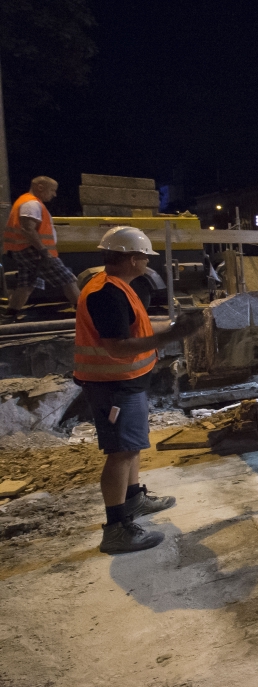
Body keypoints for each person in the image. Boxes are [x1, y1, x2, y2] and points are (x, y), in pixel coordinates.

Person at [75, 226, 205, 554]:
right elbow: (118, 347)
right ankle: (116, 528)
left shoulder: (121, 287)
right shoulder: (106, 293)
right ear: (132, 259)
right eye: (145, 258)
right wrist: (172, 337)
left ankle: (134, 501)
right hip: (114, 386)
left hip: (126, 383)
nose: (148, 263)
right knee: (120, 452)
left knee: (131, 447)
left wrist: (174, 328)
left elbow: (137, 329)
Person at [3, 176, 81, 319]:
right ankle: (85, 312)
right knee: (68, 279)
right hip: (35, 251)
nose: (54, 194)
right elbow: (28, 230)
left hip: (24, 250)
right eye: (52, 190)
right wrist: (44, 251)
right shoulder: (31, 204)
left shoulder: (26, 201)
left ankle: (10, 314)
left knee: (26, 284)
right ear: (40, 187)